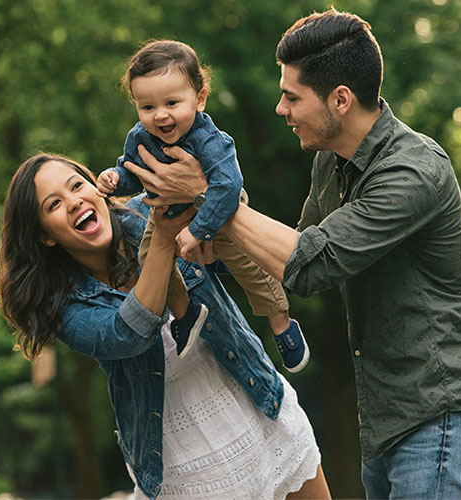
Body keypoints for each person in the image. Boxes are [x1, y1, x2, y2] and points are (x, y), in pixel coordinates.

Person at [121, 8, 461, 499]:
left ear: (340, 100)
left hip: (444, 409)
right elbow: (290, 254)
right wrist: (210, 238)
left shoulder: (412, 172)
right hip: (389, 411)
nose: (280, 109)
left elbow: (311, 262)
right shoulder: (333, 161)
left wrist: (206, 192)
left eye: (291, 96)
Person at [0, 153, 331, 499]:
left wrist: (211, 228)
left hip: (259, 402)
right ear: (45, 236)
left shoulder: (150, 210)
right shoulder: (68, 308)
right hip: (180, 462)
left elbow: (233, 231)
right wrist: (164, 238)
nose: (74, 201)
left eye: (77, 185)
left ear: (99, 189)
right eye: (54, 204)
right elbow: (129, 333)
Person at [96, 39, 309, 372]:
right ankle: (186, 313)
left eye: (171, 102)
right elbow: (132, 170)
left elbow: (227, 186)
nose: (160, 115)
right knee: (149, 259)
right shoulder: (139, 137)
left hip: (219, 210)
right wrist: (114, 178)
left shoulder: (208, 140)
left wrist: (199, 230)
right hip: (169, 215)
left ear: (200, 98)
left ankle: (281, 322)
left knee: (250, 264)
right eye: (147, 107)